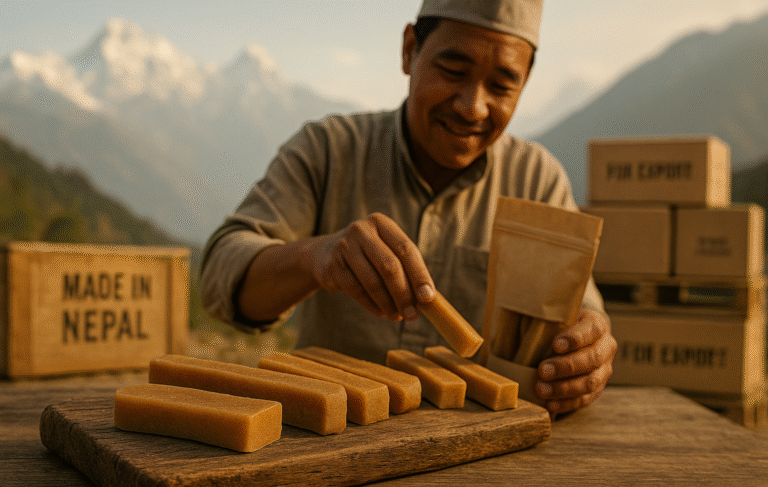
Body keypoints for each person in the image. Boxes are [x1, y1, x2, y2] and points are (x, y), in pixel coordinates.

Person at [200, 0, 617, 416]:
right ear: (408, 50)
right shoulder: (328, 150)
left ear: (525, 83)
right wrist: (317, 257)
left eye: (502, 86)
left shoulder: (537, 180)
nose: (472, 107)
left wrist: (586, 350)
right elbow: (221, 273)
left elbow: (582, 311)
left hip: (472, 450)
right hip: (328, 440)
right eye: (453, 72)